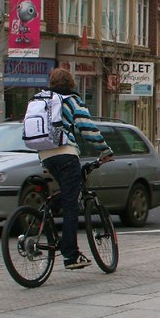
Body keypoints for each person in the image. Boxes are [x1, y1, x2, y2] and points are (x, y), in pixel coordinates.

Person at [37, 68, 114, 269]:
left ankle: (47, 213)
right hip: (65, 153)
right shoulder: (71, 100)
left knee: (67, 190)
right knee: (71, 204)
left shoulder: (39, 99)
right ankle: (70, 255)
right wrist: (105, 151)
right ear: (71, 83)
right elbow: (87, 129)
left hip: (45, 154)